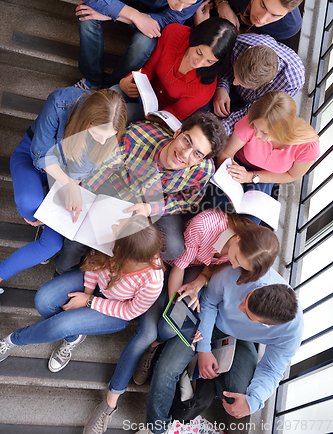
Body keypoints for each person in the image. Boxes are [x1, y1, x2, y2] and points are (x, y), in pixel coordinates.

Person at [0, 216, 165, 433]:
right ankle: (73, 337)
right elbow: (94, 266)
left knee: (59, 325)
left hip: (115, 311)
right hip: (94, 287)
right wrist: (86, 292)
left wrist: (89, 302)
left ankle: (14, 339)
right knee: (44, 299)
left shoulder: (152, 280)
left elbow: (130, 311)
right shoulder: (115, 241)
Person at [53, 111, 227, 274]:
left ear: (203, 159)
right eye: (187, 141)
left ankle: (115, 267)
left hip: (156, 202)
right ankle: (65, 272)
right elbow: (103, 169)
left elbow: (189, 201)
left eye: (197, 154)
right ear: (178, 132)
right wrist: (83, 196)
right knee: (76, 240)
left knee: (173, 247)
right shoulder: (136, 136)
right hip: (118, 188)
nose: (185, 153)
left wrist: (152, 209)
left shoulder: (203, 169)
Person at [132, 209, 280, 386]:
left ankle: (154, 347)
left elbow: (211, 268)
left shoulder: (243, 252)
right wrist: (175, 308)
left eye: (239, 265)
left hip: (192, 270)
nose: (233, 266)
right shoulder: (205, 225)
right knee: (154, 328)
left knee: (170, 328)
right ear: (239, 239)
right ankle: (150, 346)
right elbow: (179, 266)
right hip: (170, 263)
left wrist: (198, 283)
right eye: (235, 259)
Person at [145, 270, 303, 434]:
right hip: (209, 320)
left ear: (266, 325)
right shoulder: (246, 273)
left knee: (237, 397)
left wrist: (254, 402)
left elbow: (273, 369)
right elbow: (208, 302)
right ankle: (157, 429)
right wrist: (204, 349)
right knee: (166, 370)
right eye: (246, 298)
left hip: (240, 339)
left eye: (246, 313)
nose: (240, 305)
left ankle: (204, 377)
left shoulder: (291, 333)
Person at [0, 88, 127, 284]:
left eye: (109, 136)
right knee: (29, 204)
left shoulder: (105, 140)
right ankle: (38, 217)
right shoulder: (60, 102)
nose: (103, 141)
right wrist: (69, 187)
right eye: (97, 133)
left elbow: (80, 172)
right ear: (87, 120)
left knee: (52, 245)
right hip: (33, 157)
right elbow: (39, 154)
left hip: (67, 176)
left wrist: (69, 190)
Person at [75, 0, 213, 89]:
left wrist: (114, 15)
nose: (180, 8)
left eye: (188, 4)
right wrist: (132, 15)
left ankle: (112, 90)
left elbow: (171, 20)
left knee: (142, 44)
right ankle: (93, 81)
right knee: (86, 12)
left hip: (158, 16)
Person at [205, 91, 320, 219]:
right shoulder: (253, 121)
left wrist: (251, 177)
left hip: (266, 175)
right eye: (254, 126)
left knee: (252, 219)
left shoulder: (307, 146)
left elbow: (291, 175)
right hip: (236, 162)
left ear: (283, 129)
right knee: (214, 205)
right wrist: (229, 187)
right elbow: (226, 152)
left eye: (264, 132)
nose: (257, 135)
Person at [118, 17, 237, 123]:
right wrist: (125, 82)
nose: (199, 63)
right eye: (198, 52)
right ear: (195, 39)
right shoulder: (174, 33)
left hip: (159, 114)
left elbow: (176, 113)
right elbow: (148, 69)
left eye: (209, 61)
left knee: (120, 114)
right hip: (143, 90)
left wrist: (155, 118)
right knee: (112, 96)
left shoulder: (205, 88)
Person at [211, 32, 305, 135]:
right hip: (226, 84)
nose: (235, 82)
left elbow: (255, 111)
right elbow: (225, 66)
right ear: (248, 49)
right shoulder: (240, 42)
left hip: (253, 104)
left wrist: (219, 133)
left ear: (269, 82)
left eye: (241, 82)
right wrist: (222, 87)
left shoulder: (291, 84)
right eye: (236, 76)